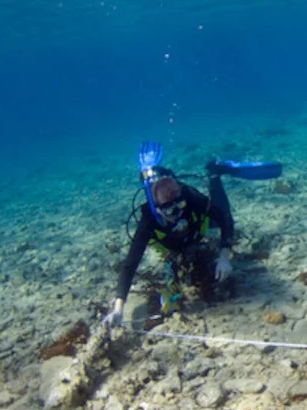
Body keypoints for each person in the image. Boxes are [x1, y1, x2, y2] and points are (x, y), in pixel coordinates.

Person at [102, 141, 281, 328]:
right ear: (155, 206)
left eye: (177, 197)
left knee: (219, 211)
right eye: (169, 206)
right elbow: (130, 265)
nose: (178, 209)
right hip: (175, 248)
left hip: (201, 228)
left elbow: (224, 219)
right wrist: (118, 309)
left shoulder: (189, 196)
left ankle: (214, 173)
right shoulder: (148, 221)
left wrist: (224, 256)